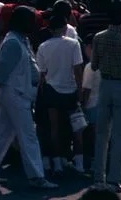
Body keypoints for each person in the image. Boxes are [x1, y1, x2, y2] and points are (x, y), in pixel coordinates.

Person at [0, 5, 56, 189]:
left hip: (17, 93)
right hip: (16, 94)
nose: (35, 23)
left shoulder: (20, 39)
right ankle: (36, 177)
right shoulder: (13, 42)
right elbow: (0, 72)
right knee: (28, 136)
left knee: (2, 132)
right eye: (31, 20)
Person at [90, 0, 121, 193]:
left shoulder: (98, 38)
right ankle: (114, 179)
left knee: (101, 133)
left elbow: (94, 65)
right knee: (119, 135)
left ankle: (98, 177)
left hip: (105, 83)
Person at [35, 14, 86, 174]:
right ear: (65, 27)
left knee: (54, 128)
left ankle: (57, 164)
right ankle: (79, 163)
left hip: (51, 90)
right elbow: (78, 70)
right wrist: (80, 91)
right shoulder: (73, 44)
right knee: (77, 128)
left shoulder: (43, 46)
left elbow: (41, 74)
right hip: (70, 89)